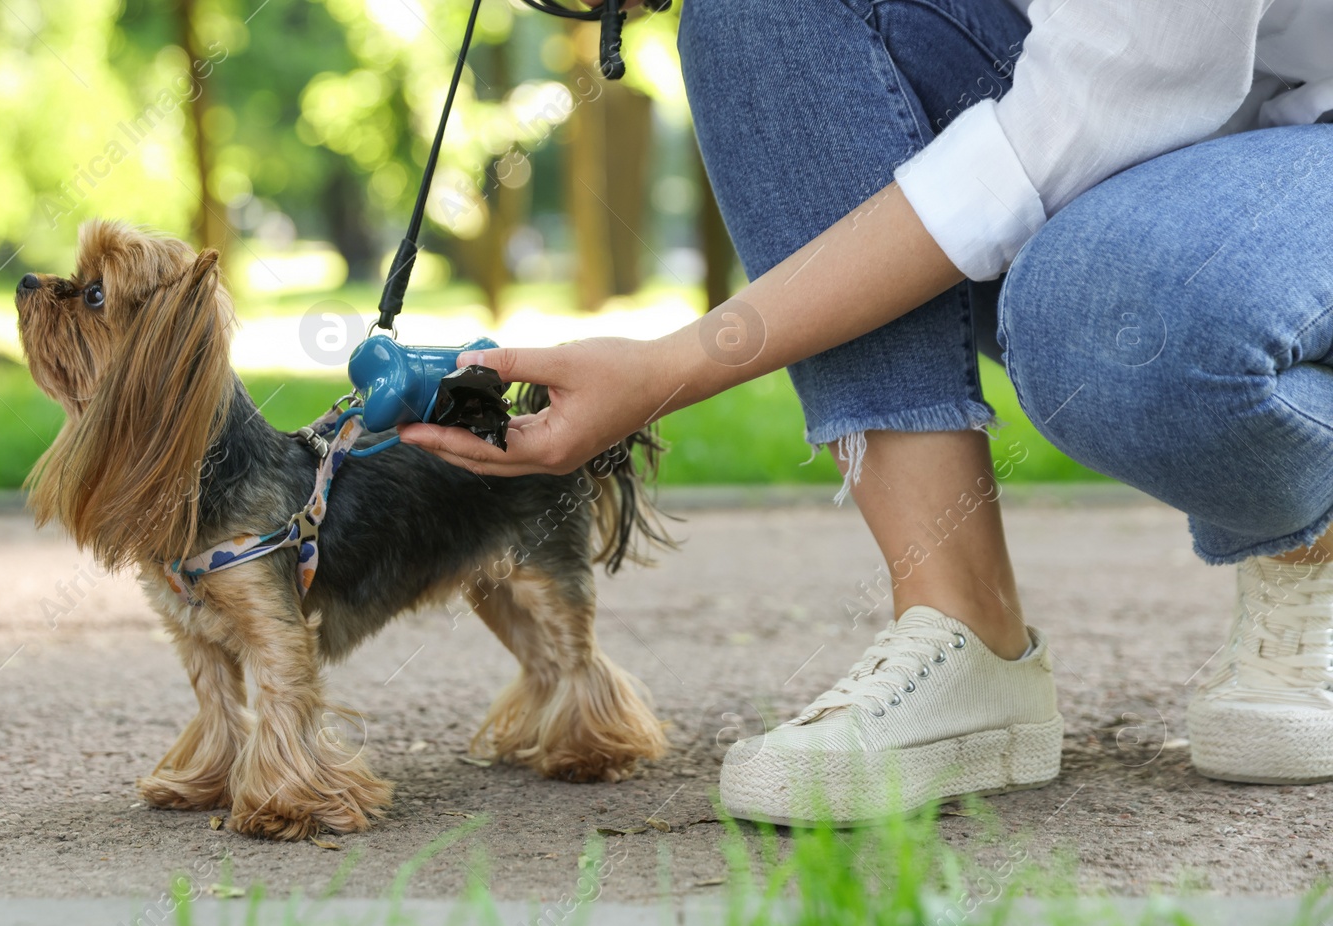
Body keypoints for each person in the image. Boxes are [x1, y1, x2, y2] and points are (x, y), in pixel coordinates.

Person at [401, 0, 1333, 825]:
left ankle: (1309, 541)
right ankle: (965, 628)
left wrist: (668, 370)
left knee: (1112, 314)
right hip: (1141, 108)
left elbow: (1090, 114)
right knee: (758, 17)